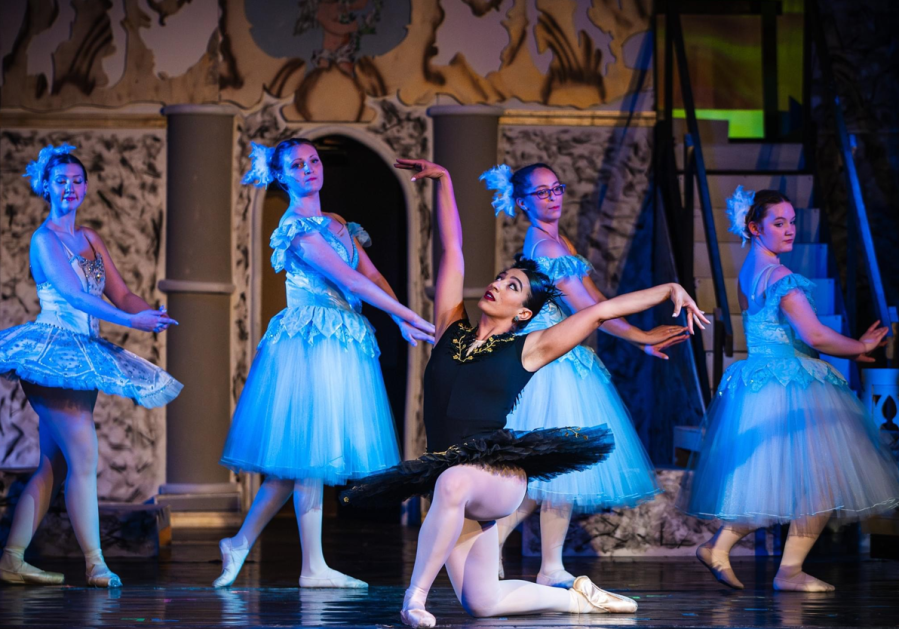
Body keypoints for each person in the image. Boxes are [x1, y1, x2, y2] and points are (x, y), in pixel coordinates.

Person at [343, 158, 708, 627]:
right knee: (482, 601)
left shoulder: (528, 348)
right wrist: (445, 182)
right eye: (499, 278)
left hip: (497, 476)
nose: (497, 283)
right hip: (453, 477)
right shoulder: (449, 329)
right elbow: (451, 248)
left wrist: (669, 289)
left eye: (512, 285)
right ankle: (579, 600)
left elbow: (598, 312)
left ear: (523, 313)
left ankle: (414, 598)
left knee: (452, 482)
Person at [212, 138, 434, 589]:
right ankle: (309, 566)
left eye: (313, 160)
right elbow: (346, 277)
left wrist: (396, 314)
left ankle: (245, 545)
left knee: (297, 462)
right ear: (282, 176)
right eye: (297, 164)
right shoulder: (296, 226)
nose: (309, 168)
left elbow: (369, 274)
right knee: (309, 454)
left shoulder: (336, 222)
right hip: (311, 340)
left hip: (342, 337)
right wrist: (406, 316)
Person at [678, 187, 899, 592]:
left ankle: (741, 553)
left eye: (792, 221)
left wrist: (850, 348)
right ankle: (784, 568)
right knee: (816, 481)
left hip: (766, 379)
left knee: (785, 482)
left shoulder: (751, 269)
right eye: (778, 223)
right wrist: (862, 346)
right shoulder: (780, 276)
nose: (790, 229)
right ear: (754, 227)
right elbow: (815, 334)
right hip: (788, 383)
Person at [482, 163, 687, 586]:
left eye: (557, 188)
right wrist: (639, 334)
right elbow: (589, 310)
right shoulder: (546, 246)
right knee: (554, 471)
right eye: (542, 192)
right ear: (522, 202)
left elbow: (596, 299)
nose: (554, 197)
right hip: (554, 363)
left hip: (564, 356)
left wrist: (641, 340)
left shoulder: (560, 241)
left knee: (549, 474)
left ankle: (512, 554)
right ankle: (541, 563)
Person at [0, 144, 182, 588]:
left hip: (85, 352)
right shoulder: (44, 240)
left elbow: (119, 294)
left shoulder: (91, 238)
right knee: (84, 456)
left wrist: (148, 314)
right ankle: (95, 563)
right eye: (61, 180)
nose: (70, 187)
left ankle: (11, 556)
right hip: (51, 351)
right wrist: (129, 320)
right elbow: (77, 296)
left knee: (54, 466)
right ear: (46, 186)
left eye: (77, 180)